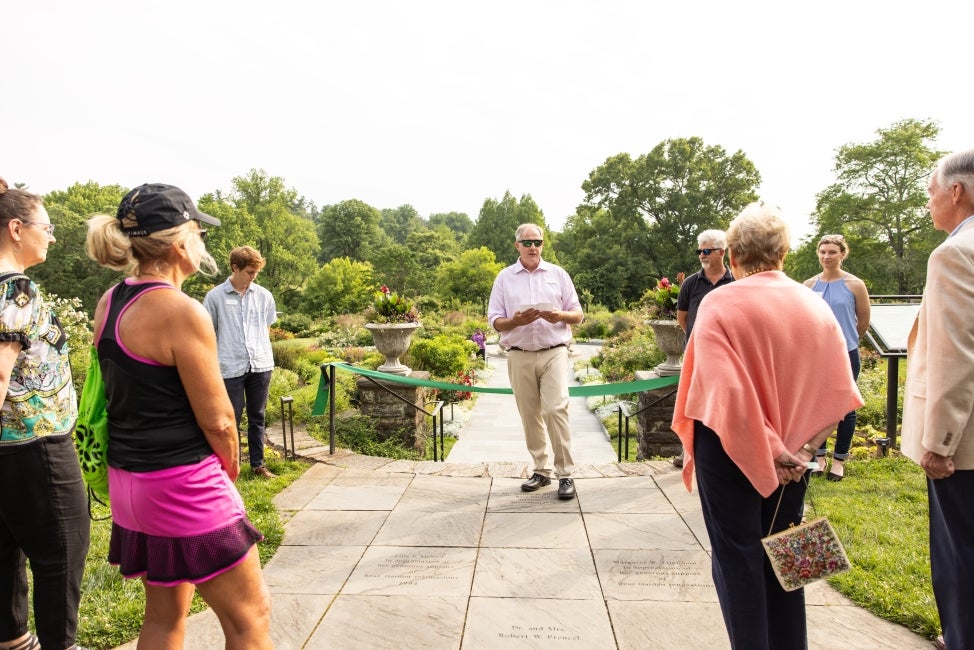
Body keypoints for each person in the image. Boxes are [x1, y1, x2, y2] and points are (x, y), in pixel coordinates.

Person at [85, 183, 272, 648]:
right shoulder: (179, 310)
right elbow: (221, 421)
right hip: (182, 483)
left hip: (132, 483)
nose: (203, 243)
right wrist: (228, 471)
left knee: (165, 618)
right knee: (251, 620)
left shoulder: (111, 300)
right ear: (178, 243)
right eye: (198, 232)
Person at [672, 202, 863, 649]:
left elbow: (724, 391)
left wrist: (771, 449)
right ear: (784, 253)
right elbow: (841, 389)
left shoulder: (719, 302)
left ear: (733, 255)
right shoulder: (812, 304)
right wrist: (802, 451)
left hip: (728, 447)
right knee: (785, 552)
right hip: (797, 457)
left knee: (738, 556)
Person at [0, 180, 89, 650]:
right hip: (36, 446)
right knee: (64, 550)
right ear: (16, 229)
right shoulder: (16, 290)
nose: (52, 237)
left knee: (5, 547)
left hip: (9, 450)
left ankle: (12, 641)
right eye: (47, 227)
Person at [901, 148, 974, 650]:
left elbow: (955, 354)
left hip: (966, 443)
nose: (927, 200)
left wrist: (940, 442)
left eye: (930, 189)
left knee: (959, 551)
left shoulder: (953, 254)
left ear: (957, 191)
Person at [487, 224, 583, 500]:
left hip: (554, 350)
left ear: (543, 244)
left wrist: (560, 316)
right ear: (516, 245)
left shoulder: (558, 274)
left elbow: (577, 314)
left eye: (537, 242)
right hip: (519, 353)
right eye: (527, 242)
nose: (533, 247)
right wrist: (515, 321)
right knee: (530, 415)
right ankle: (541, 471)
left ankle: (565, 474)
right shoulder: (505, 278)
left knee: (555, 409)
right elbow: (495, 320)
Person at [204, 246, 278, 479]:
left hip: (260, 364)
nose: (253, 276)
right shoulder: (215, 297)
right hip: (229, 366)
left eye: (256, 272)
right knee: (231, 418)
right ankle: (229, 469)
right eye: (249, 271)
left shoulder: (264, 295)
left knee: (258, 416)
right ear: (235, 268)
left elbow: (266, 328)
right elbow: (208, 333)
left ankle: (258, 465)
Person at [803, 234, 871, 481]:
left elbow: (862, 321)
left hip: (847, 352)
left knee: (846, 406)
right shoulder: (809, 286)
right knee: (817, 404)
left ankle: (839, 460)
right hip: (818, 355)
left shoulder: (855, 285)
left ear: (843, 254)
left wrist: (848, 341)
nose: (826, 256)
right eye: (823, 252)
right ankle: (819, 458)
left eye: (832, 252)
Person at [671, 229, 734, 468]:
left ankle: (724, 450)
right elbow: (683, 318)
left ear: (721, 252)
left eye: (706, 251)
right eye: (699, 251)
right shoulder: (691, 283)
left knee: (725, 402)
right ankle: (687, 451)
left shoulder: (735, 281)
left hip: (729, 355)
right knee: (691, 401)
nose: (701, 255)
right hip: (697, 354)